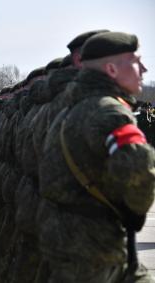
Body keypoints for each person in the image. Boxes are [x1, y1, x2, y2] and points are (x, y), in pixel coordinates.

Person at [37, 31, 154, 282]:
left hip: (65, 237)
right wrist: (133, 213)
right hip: (93, 245)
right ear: (111, 69)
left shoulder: (70, 110)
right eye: (135, 61)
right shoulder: (109, 112)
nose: (143, 68)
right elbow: (139, 173)